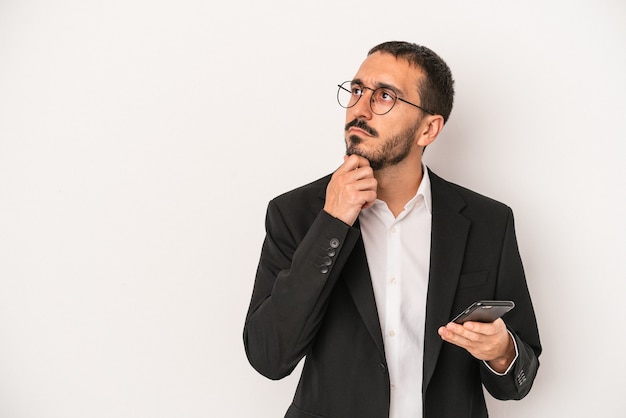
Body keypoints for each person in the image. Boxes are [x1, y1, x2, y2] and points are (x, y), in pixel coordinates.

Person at [243, 41, 541, 418]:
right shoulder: (295, 214)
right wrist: (332, 224)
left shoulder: (488, 222)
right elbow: (269, 357)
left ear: (428, 129)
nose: (359, 108)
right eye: (356, 91)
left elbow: (520, 376)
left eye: (384, 96)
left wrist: (502, 352)